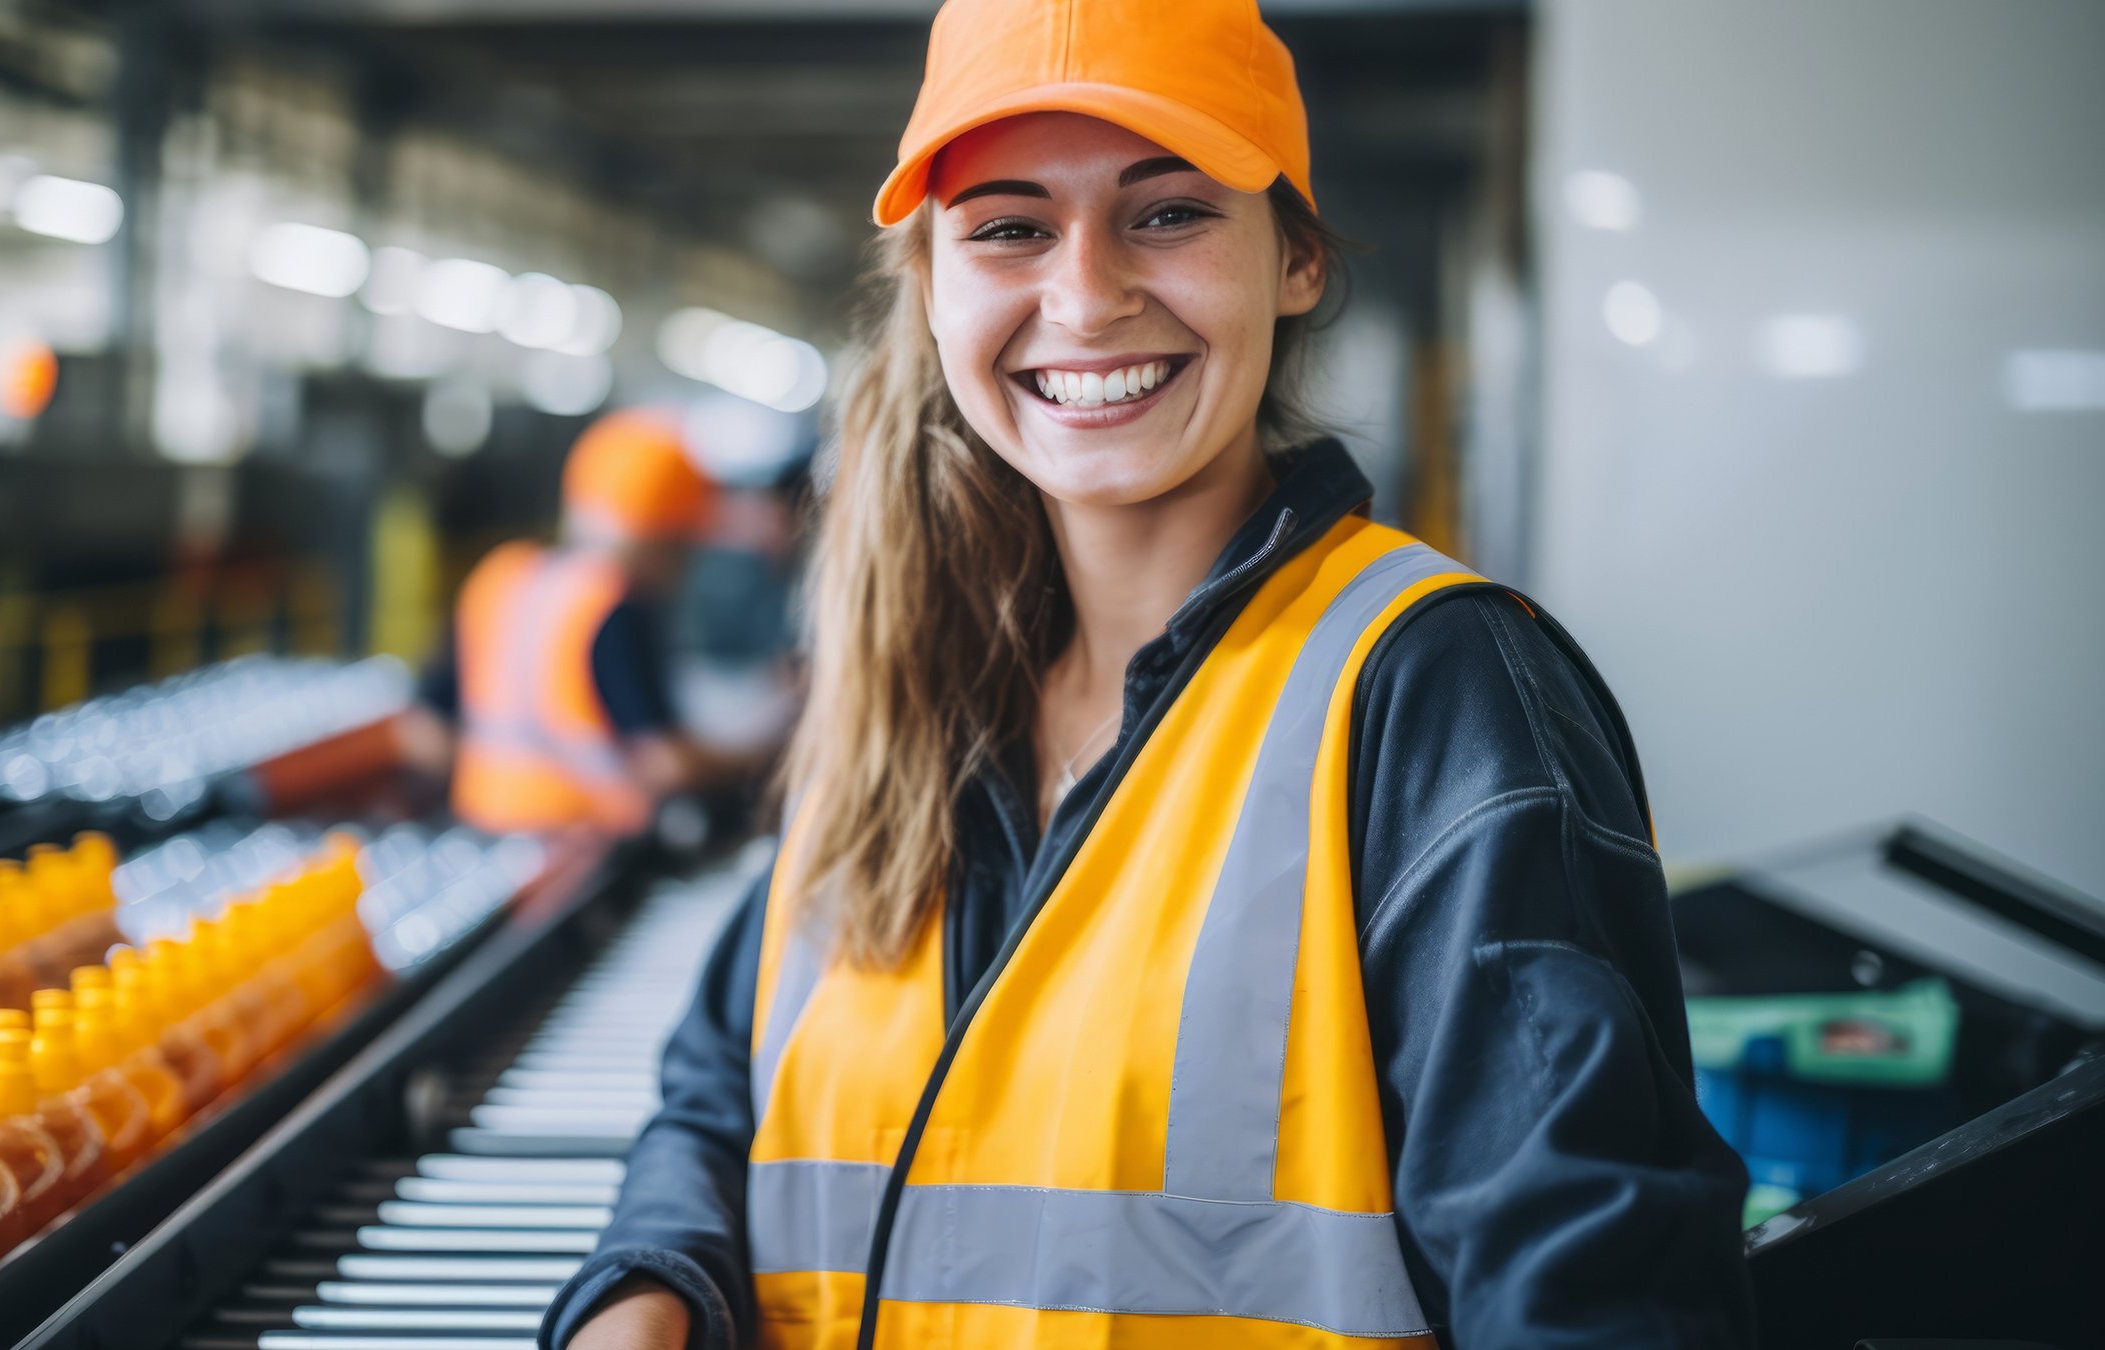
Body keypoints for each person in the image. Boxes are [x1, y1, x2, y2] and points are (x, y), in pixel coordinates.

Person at [544, 1, 1755, 1346]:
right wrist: (651, 1286)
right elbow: (722, 1087)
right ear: (935, 284)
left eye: (1167, 211)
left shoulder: (1430, 695)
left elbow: (1595, 1298)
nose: (1085, 294)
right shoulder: (911, 688)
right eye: (1008, 226)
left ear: (1294, 255)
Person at [404, 407, 759, 835]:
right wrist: (760, 755)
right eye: (682, 550)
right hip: (589, 846)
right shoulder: (614, 604)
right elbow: (665, 765)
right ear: (664, 538)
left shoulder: (498, 579)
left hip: (484, 836)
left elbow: (423, 733)